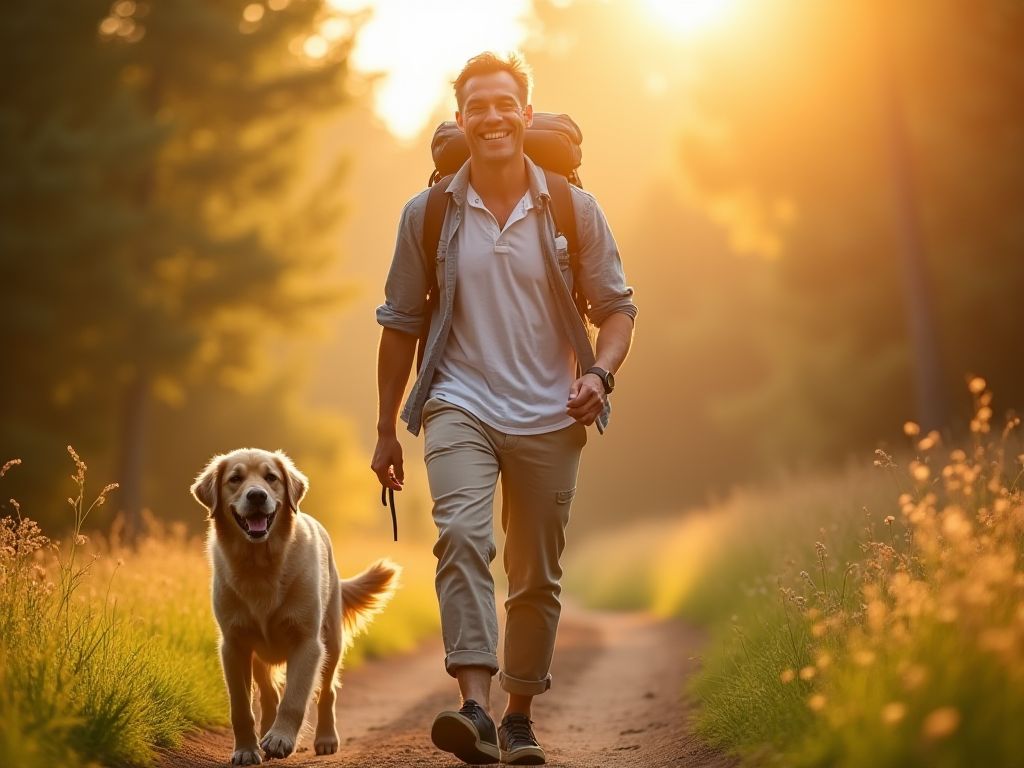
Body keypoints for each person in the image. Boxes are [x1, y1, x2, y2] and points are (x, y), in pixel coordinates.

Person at [371, 51, 637, 766]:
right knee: (461, 536)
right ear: (461, 120)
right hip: (460, 402)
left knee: (535, 573)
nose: (490, 117)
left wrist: (601, 377)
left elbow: (616, 311)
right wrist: (384, 432)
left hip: (553, 412)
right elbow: (399, 323)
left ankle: (519, 717)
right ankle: (475, 709)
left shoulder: (573, 208)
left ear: (525, 113)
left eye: (502, 104)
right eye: (475, 107)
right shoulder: (427, 214)